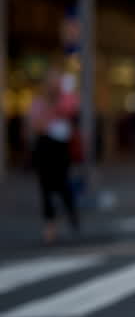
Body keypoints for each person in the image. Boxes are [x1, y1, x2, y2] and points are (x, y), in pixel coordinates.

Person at [27, 72, 80, 243]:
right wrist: (51, 114)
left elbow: (72, 115)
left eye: (57, 85)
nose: (54, 88)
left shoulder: (66, 100)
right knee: (46, 188)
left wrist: (62, 103)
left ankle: (72, 215)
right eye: (52, 84)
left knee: (63, 185)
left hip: (61, 149)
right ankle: (50, 227)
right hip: (45, 147)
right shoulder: (39, 103)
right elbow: (36, 125)